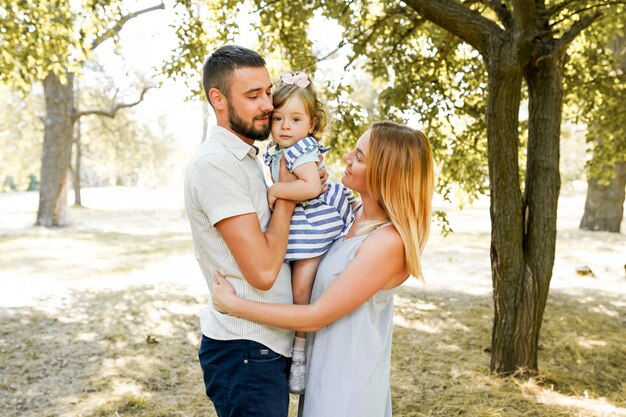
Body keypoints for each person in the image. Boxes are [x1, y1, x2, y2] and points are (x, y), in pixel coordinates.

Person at [212, 121, 435, 417]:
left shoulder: (387, 242)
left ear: (385, 173)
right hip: (323, 374)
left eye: (359, 157)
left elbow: (316, 316)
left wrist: (234, 305)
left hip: (348, 390)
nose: (346, 158)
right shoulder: (349, 213)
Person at [184, 45, 326, 417]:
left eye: (267, 91)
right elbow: (262, 272)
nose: (268, 104)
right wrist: (289, 196)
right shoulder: (217, 164)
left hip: (262, 344)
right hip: (245, 349)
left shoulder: (247, 158)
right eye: (253, 95)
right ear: (218, 100)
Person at [263, 71, 356, 394]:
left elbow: (311, 186)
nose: (285, 126)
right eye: (278, 118)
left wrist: (276, 191)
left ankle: (299, 350)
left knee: (301, 288)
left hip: (314, 221)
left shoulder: (300, 149)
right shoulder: (276, 151)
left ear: (312, 124)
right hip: (297, 221)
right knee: (290, 286)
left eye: (295, 119)